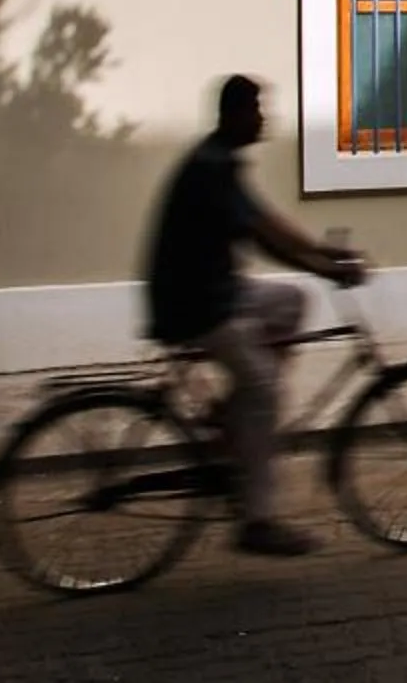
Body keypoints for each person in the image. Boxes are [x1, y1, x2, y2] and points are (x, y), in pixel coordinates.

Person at [143, 73, 367, 556]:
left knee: (289, 302)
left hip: (218, 293)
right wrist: (324, 263)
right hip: (196, 305)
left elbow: (267, 222)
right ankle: (258, 520)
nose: (264, 118)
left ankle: (235, 414)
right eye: (257, 110)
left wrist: (322, 256)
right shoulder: (210, 168)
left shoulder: (221, 161)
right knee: (265, 387)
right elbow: (263, 238)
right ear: (234, 115)